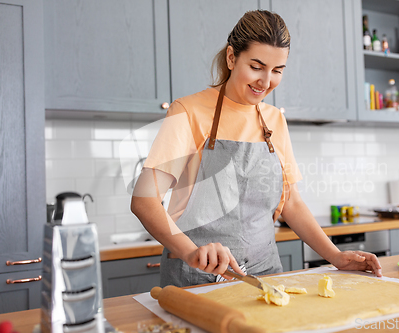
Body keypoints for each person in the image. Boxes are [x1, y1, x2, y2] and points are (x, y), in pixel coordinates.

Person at [131, 10, 382, 288]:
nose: (266, 81)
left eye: (277, 71)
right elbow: (144, 200)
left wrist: (335, 255)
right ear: (231, 57)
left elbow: (291, 202)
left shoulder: (274, 119)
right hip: (199, 279)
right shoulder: (188, 111)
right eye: (256, 66)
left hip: (266, 276)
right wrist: (190, 251)